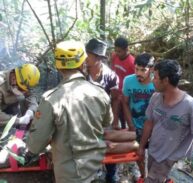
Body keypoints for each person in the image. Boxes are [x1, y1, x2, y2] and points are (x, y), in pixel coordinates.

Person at [25, 40, 137, 183]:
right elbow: (106, 122)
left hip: (69, 175)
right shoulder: (100, 93)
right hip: (94, 168)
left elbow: (35, 145)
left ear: (58, 66)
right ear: (82, 62)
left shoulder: (51, 100)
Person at [138, 59, 193, 183]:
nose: (152, 80)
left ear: (165, 81)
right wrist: (141, 147)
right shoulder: (156, 98)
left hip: (169, 156)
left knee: (152, 179)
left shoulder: (191, 106)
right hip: (154, 149)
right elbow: (149, 122)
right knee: (153, 173)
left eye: (155, 77)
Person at [85, 38, 120, 183]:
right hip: (85, 115)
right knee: (89, 144)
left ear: (98, 58)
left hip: (105, 116)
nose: (86, 58)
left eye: (89, 55)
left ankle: (111, 174)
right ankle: (93, 170)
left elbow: (116, 99)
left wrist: (115, 120)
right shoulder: (81, 73)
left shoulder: (110, 76)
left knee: (109, 143)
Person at [122, 53, 156, 181]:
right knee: (139, 155)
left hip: (153, 127)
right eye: (136, 69)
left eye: (143, 70)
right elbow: (124, 102)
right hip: (135, 125)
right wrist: (130, 124)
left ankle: (153, 177)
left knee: (154, 156)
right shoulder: (128, 81)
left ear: (151, 69)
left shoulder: (157, 84)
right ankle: (143, 176)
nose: (138, 73)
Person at [111, 37, 135, 129]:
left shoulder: (132, 62)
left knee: (125, 114)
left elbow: (135, 80)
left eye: (120, 51)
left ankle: (127, 130)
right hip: (116, 89)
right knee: (116, 112)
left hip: (126, 92)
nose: (117, 53)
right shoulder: (114, 56)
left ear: (126, 49)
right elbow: (113, 70)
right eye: (116, 50)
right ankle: (116, 126)